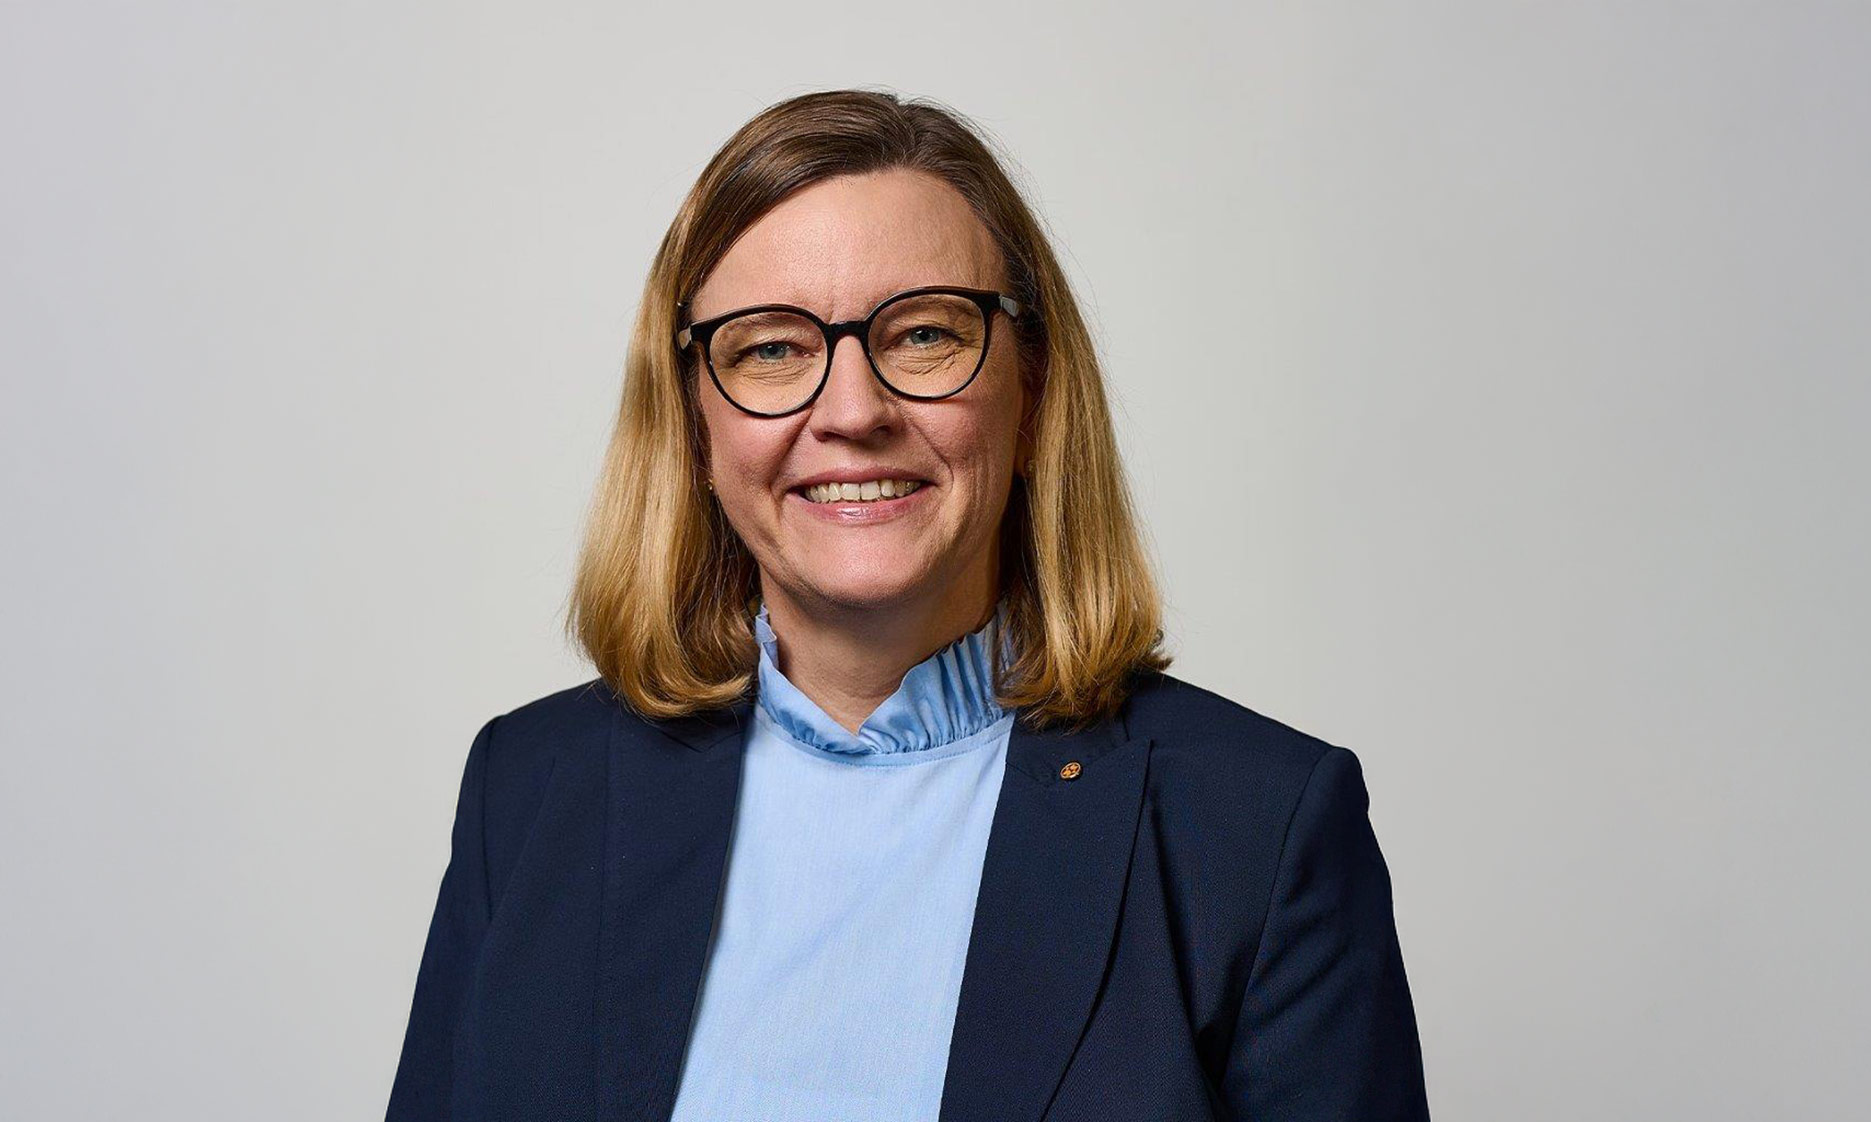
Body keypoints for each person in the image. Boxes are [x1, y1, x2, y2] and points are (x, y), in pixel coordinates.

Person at [385, 88, 1429, 1122]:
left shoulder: (1257, 832)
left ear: (1033, 392)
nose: (853, 412)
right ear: (693, 423)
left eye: (923, 334)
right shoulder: (530, 793)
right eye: (770, 348)